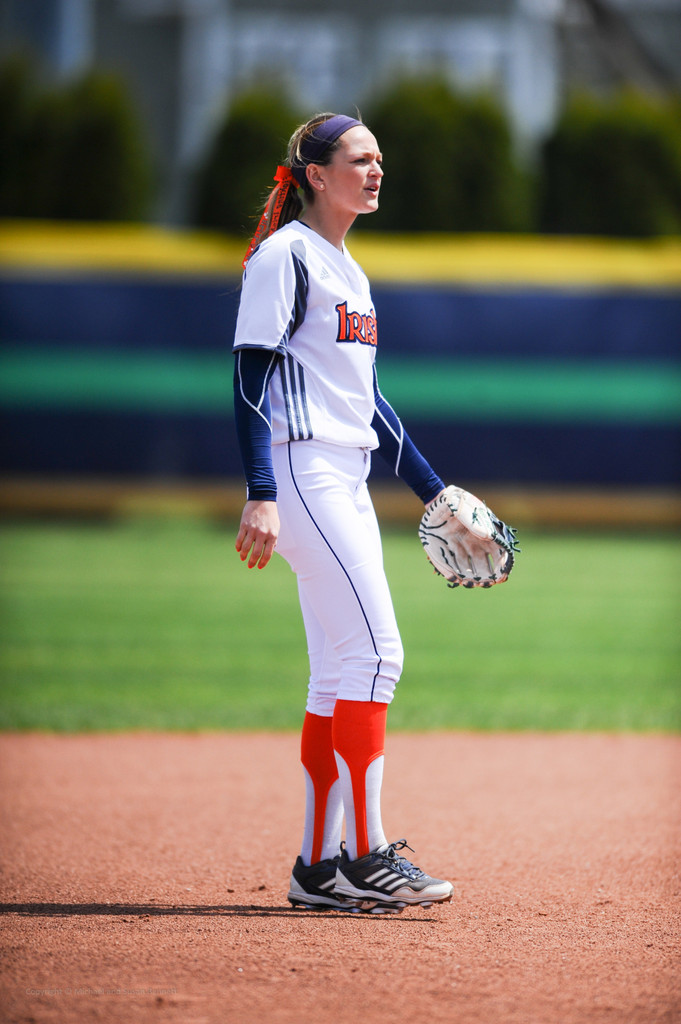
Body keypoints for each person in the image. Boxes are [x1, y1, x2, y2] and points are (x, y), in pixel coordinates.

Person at [232, 112, 453, 914]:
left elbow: (366, 404)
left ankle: (318, 868)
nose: (375, 170)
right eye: (360, 159)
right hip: (301, 470)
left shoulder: (346, 270)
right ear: (315, 175)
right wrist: (260, 492)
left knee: (337, 671)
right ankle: (366, 854)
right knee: (376, 655)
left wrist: (435, 490)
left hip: (341, 472)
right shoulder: (286, 257)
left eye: (379, 159)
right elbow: (251, 381)